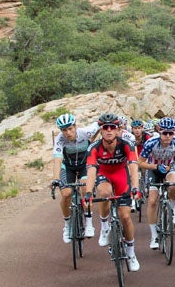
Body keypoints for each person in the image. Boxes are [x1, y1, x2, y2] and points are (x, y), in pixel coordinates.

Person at [84, 113, 141, 272]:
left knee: (125, 216)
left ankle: (131, 253)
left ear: (118, 130)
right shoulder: (94, 148)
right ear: (101, 130)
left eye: (112, 127)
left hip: (121, 175)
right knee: (104, 192)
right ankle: (104, 227)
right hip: (104, 174)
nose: (109, 130)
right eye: (105, 128)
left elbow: (133, 167)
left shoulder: (126, 144)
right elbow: (91, 171)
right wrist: (88, 192)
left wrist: (136, 187)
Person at [50, 113, 99, 242]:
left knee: (85, 189)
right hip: (67, 167)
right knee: (66, 194)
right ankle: (67, 226)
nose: (68, 132)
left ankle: (88, 223)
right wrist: (56, 178)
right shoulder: (60, 140)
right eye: (64, 130)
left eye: (70, 128)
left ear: (75, 126)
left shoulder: (85, 132)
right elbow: (57, 161)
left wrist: (93, 140)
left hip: (84, 166)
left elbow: (99, 124)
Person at [138, 117, 175, 249]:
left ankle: (174, 208)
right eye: (165, 133)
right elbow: (140, 162)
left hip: (170, 167)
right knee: (152, 201)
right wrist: (155, 167)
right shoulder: (151, 143)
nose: (168, 136)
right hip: (154, 169)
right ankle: (154, 236)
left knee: (173, 185)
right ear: (159, 131)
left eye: (171, 133)